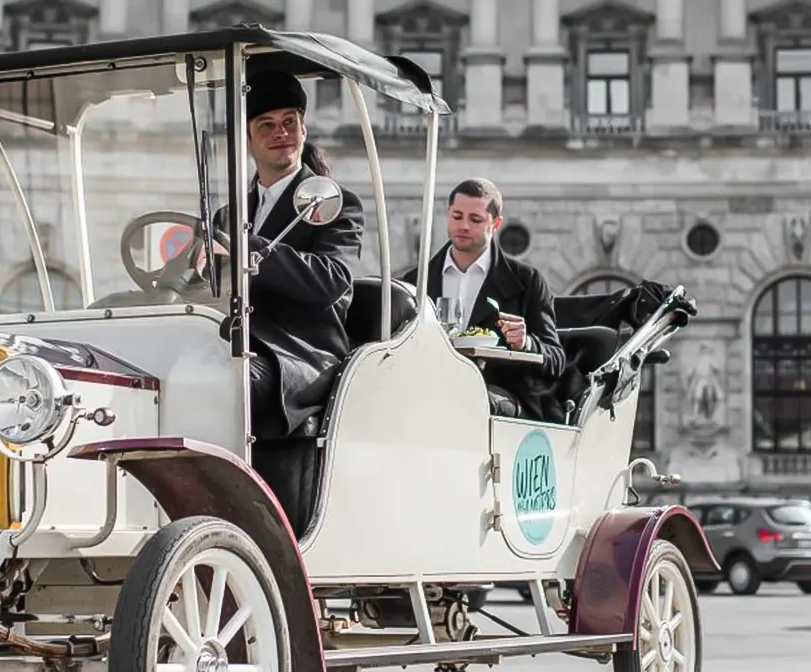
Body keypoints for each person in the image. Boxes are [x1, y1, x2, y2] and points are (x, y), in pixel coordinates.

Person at [212, 70, 364, 440]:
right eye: (266, 125)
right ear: (248, 139)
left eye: (289, 123)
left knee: (222, 382)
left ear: (304, 131)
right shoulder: (228, 215)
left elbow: (332, 280)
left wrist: (250, 248)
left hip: (301, 354)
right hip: (237, 341)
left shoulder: (334, 202)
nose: (281, 133)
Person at [401, 178, 565, 422]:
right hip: (431, 393)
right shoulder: (417, 280)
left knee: (465, 398)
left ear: (496, 224)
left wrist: (526, 343)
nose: (463, 226)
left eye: (475, 220)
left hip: (503, 399)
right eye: (457, 216)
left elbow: (556, 360)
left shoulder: (527, 282)